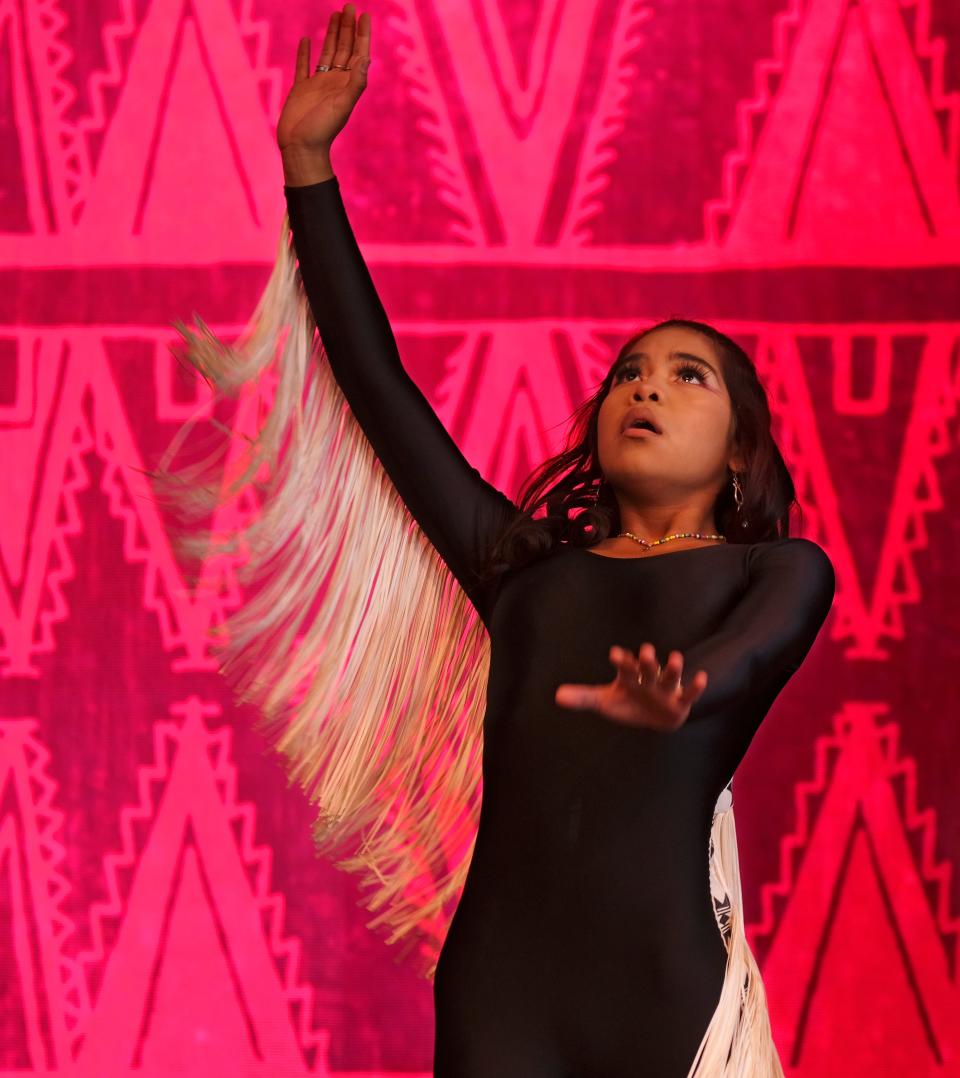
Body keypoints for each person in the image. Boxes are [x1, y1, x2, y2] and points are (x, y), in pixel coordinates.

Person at [153, 5, 835, 1075]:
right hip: (500, 994)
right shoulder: (523, 572)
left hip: (663, 993)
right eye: (626, 373)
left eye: (684, 374)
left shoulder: (777, 569)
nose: (644, 383)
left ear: (741, 452)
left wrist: (684, 690)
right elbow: (377, 387)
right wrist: (306, 165)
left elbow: (749, 652)